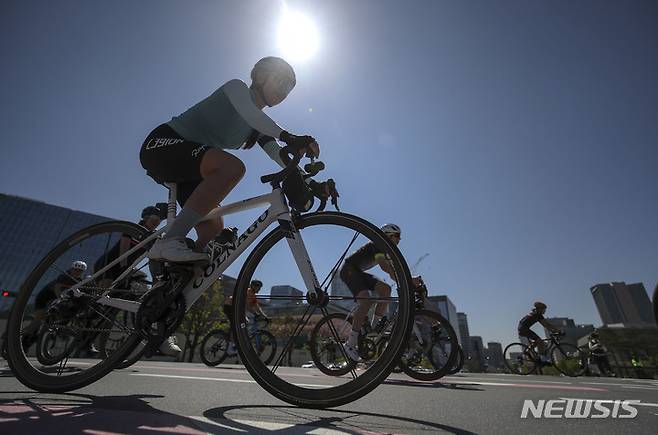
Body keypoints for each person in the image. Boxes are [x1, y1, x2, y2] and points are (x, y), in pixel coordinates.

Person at [140, 56, 320, 263]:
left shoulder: (257, 126)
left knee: (214, 229)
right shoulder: (237, 88)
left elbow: (278, 154)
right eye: (281, 81)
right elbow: (252, 115)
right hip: (163, 144)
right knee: (232, 167)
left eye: (289, 88)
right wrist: (291, 137)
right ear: (260, 76)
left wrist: (309, 180)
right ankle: (169, 241)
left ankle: (175, 281)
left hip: (192, 166)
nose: (284, 91)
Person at [93, 206, 181, 357]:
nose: (155, 224)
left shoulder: (152, 236)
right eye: (153, 220)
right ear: (145, 218)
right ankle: (88, 316)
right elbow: (123, 252)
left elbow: (154, 257)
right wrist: (125, 270)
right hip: (111, 265)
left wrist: (156, 280)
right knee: (102, 302)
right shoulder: (134, 230)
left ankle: (101, 345)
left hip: (125, 271)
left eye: (158, 222)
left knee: (112, 311)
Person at [334, 224, 421, 361]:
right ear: (388, 235)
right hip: (348, 270)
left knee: (386, 289)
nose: (399, 239)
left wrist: (408, 280)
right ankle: (350, 344)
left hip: (358, 272)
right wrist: (408, 280)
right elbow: (384, 267)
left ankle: (373, 329)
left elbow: (393, 274)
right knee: (366, 301)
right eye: (397, 236)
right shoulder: (378, 244)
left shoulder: (386, 251)